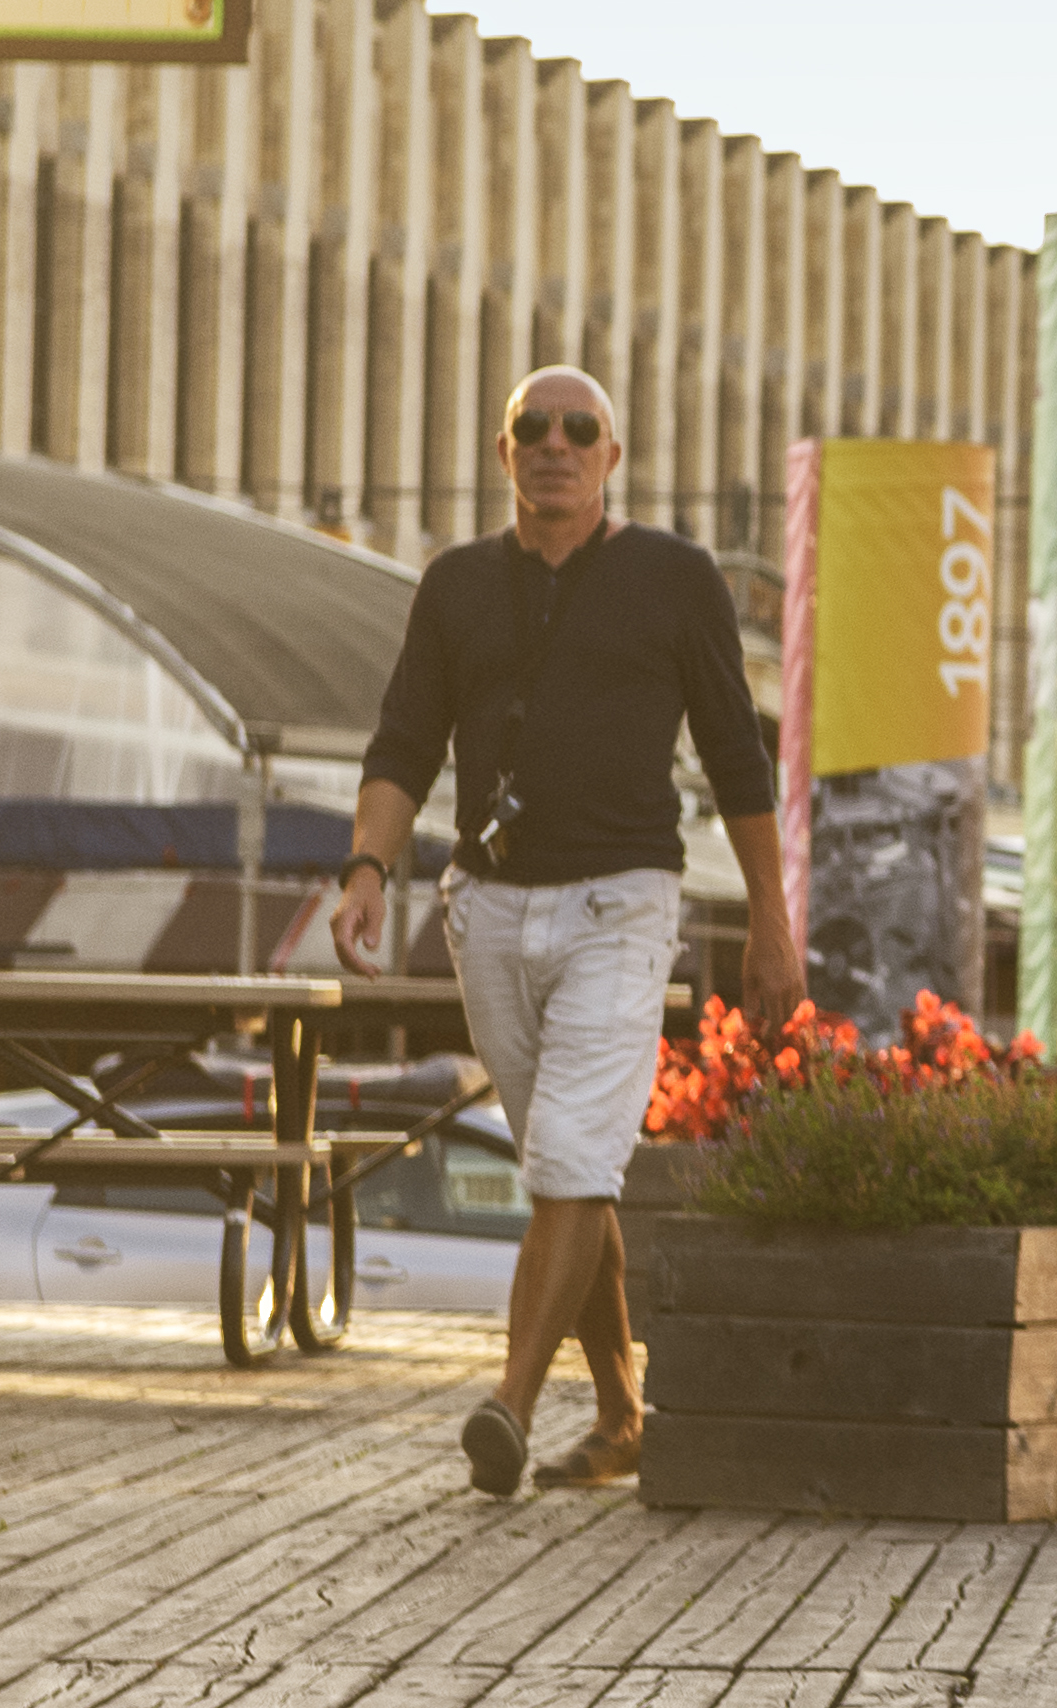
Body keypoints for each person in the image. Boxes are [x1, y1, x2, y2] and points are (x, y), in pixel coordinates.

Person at [333, 366, 807, 1498]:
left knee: (569, 1158)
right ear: (504, 454)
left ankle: (511, 1399)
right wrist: (365, 870)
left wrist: (772, 925)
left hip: (621, 901)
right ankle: (621, 1413)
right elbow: (405, 741)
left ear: (612, 456)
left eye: (578, 428)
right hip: (486, 907)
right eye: (531, 428)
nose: (555, 443)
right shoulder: (453, 586)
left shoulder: (675, 579)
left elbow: (740, 757)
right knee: (574, 1171)